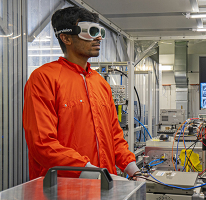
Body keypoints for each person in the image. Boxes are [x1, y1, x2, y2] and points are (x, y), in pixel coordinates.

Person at [23, 6, 139, 180]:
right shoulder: (44, 79)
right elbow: (42, 143)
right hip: (62, 188)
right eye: (90, 32)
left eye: (99, 32)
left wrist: (132, 168)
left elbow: (115, 136)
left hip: (105, 186)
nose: (98, 37)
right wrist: (89, 171)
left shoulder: (101, 83)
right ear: (65, 38)